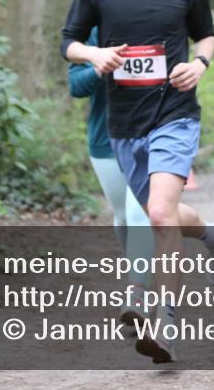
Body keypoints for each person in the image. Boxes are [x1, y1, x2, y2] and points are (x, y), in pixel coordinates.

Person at [61, 0, 214, 364]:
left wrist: (199, 64)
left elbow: (206, 36)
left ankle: (165, 324)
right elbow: (68, 41)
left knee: (158, 214)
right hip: (123, 126)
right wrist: (93, 54)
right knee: (165, 214)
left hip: (174, 115)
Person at [68, 25, 152, 326]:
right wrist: (99, 66)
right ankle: (211, 234)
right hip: (106, 138)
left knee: (139, 212)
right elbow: (76, 86)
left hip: (151, 136)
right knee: (124, 216)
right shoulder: (95, 31)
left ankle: (137, 293)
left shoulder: (159, 20)